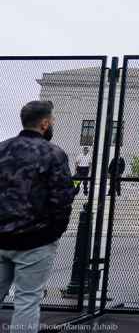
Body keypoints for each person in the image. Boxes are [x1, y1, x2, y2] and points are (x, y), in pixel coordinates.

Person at [0, 101, 75, 333]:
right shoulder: (53, 153)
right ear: (44, 123)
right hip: (35, 241)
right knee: (27, 300)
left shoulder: (2, 149)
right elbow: (62, 198)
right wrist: (53, 233)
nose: (52, 124)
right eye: (52, 120)